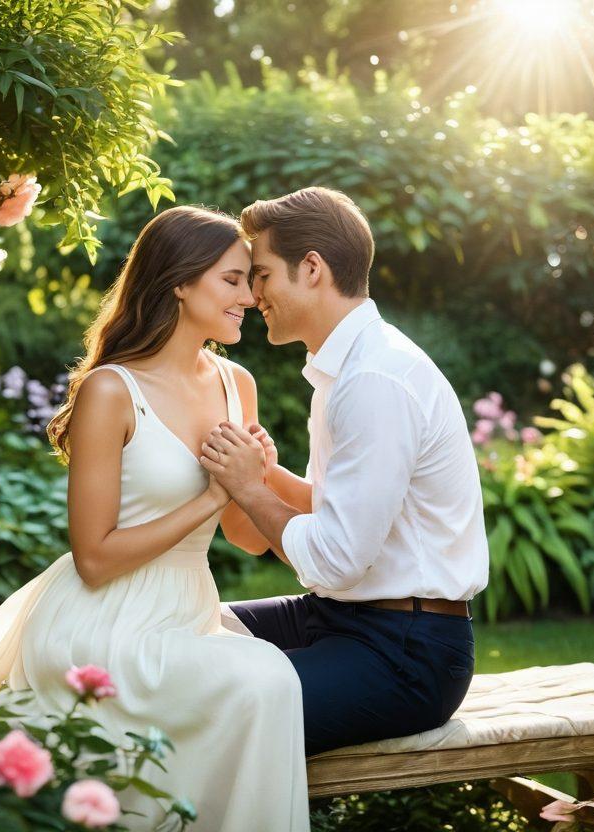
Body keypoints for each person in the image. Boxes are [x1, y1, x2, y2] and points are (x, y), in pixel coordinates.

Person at [0, 206, 310, 832]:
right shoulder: (109, 391)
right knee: (266, 675)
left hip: (186, 611)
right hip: (102, 617)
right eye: (233, 280)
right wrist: (213, 499)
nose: (250, 296)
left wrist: (255, 480)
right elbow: (95, 556)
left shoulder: (235, 383)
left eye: (250, 280)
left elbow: (245, 542)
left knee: (263, 680)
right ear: (181, 282)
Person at [201, 187, 490, 756]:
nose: (254, 297)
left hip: (407, 654)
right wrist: (269, 471)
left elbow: (337, 557)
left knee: (217, 710)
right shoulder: (344, 370)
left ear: (311, 269)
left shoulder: (374, 379)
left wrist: (247, 485)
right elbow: (331, 513)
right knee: (176, 632)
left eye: (261, 276)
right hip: (338, 619)